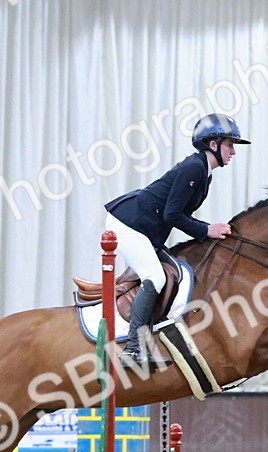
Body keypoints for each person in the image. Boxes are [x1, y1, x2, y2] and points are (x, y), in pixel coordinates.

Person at [104, 113, 250, 369]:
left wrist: (205, 230)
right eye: (230, 145)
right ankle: (134, 349)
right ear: (213, 144)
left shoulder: (204, 172)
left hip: (143, 229)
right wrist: (206, 231)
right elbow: (173, 215)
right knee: (156, 278)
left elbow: (178, 214)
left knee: (175, 273)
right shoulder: (194, 167)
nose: (233, 152)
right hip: (127, 224)